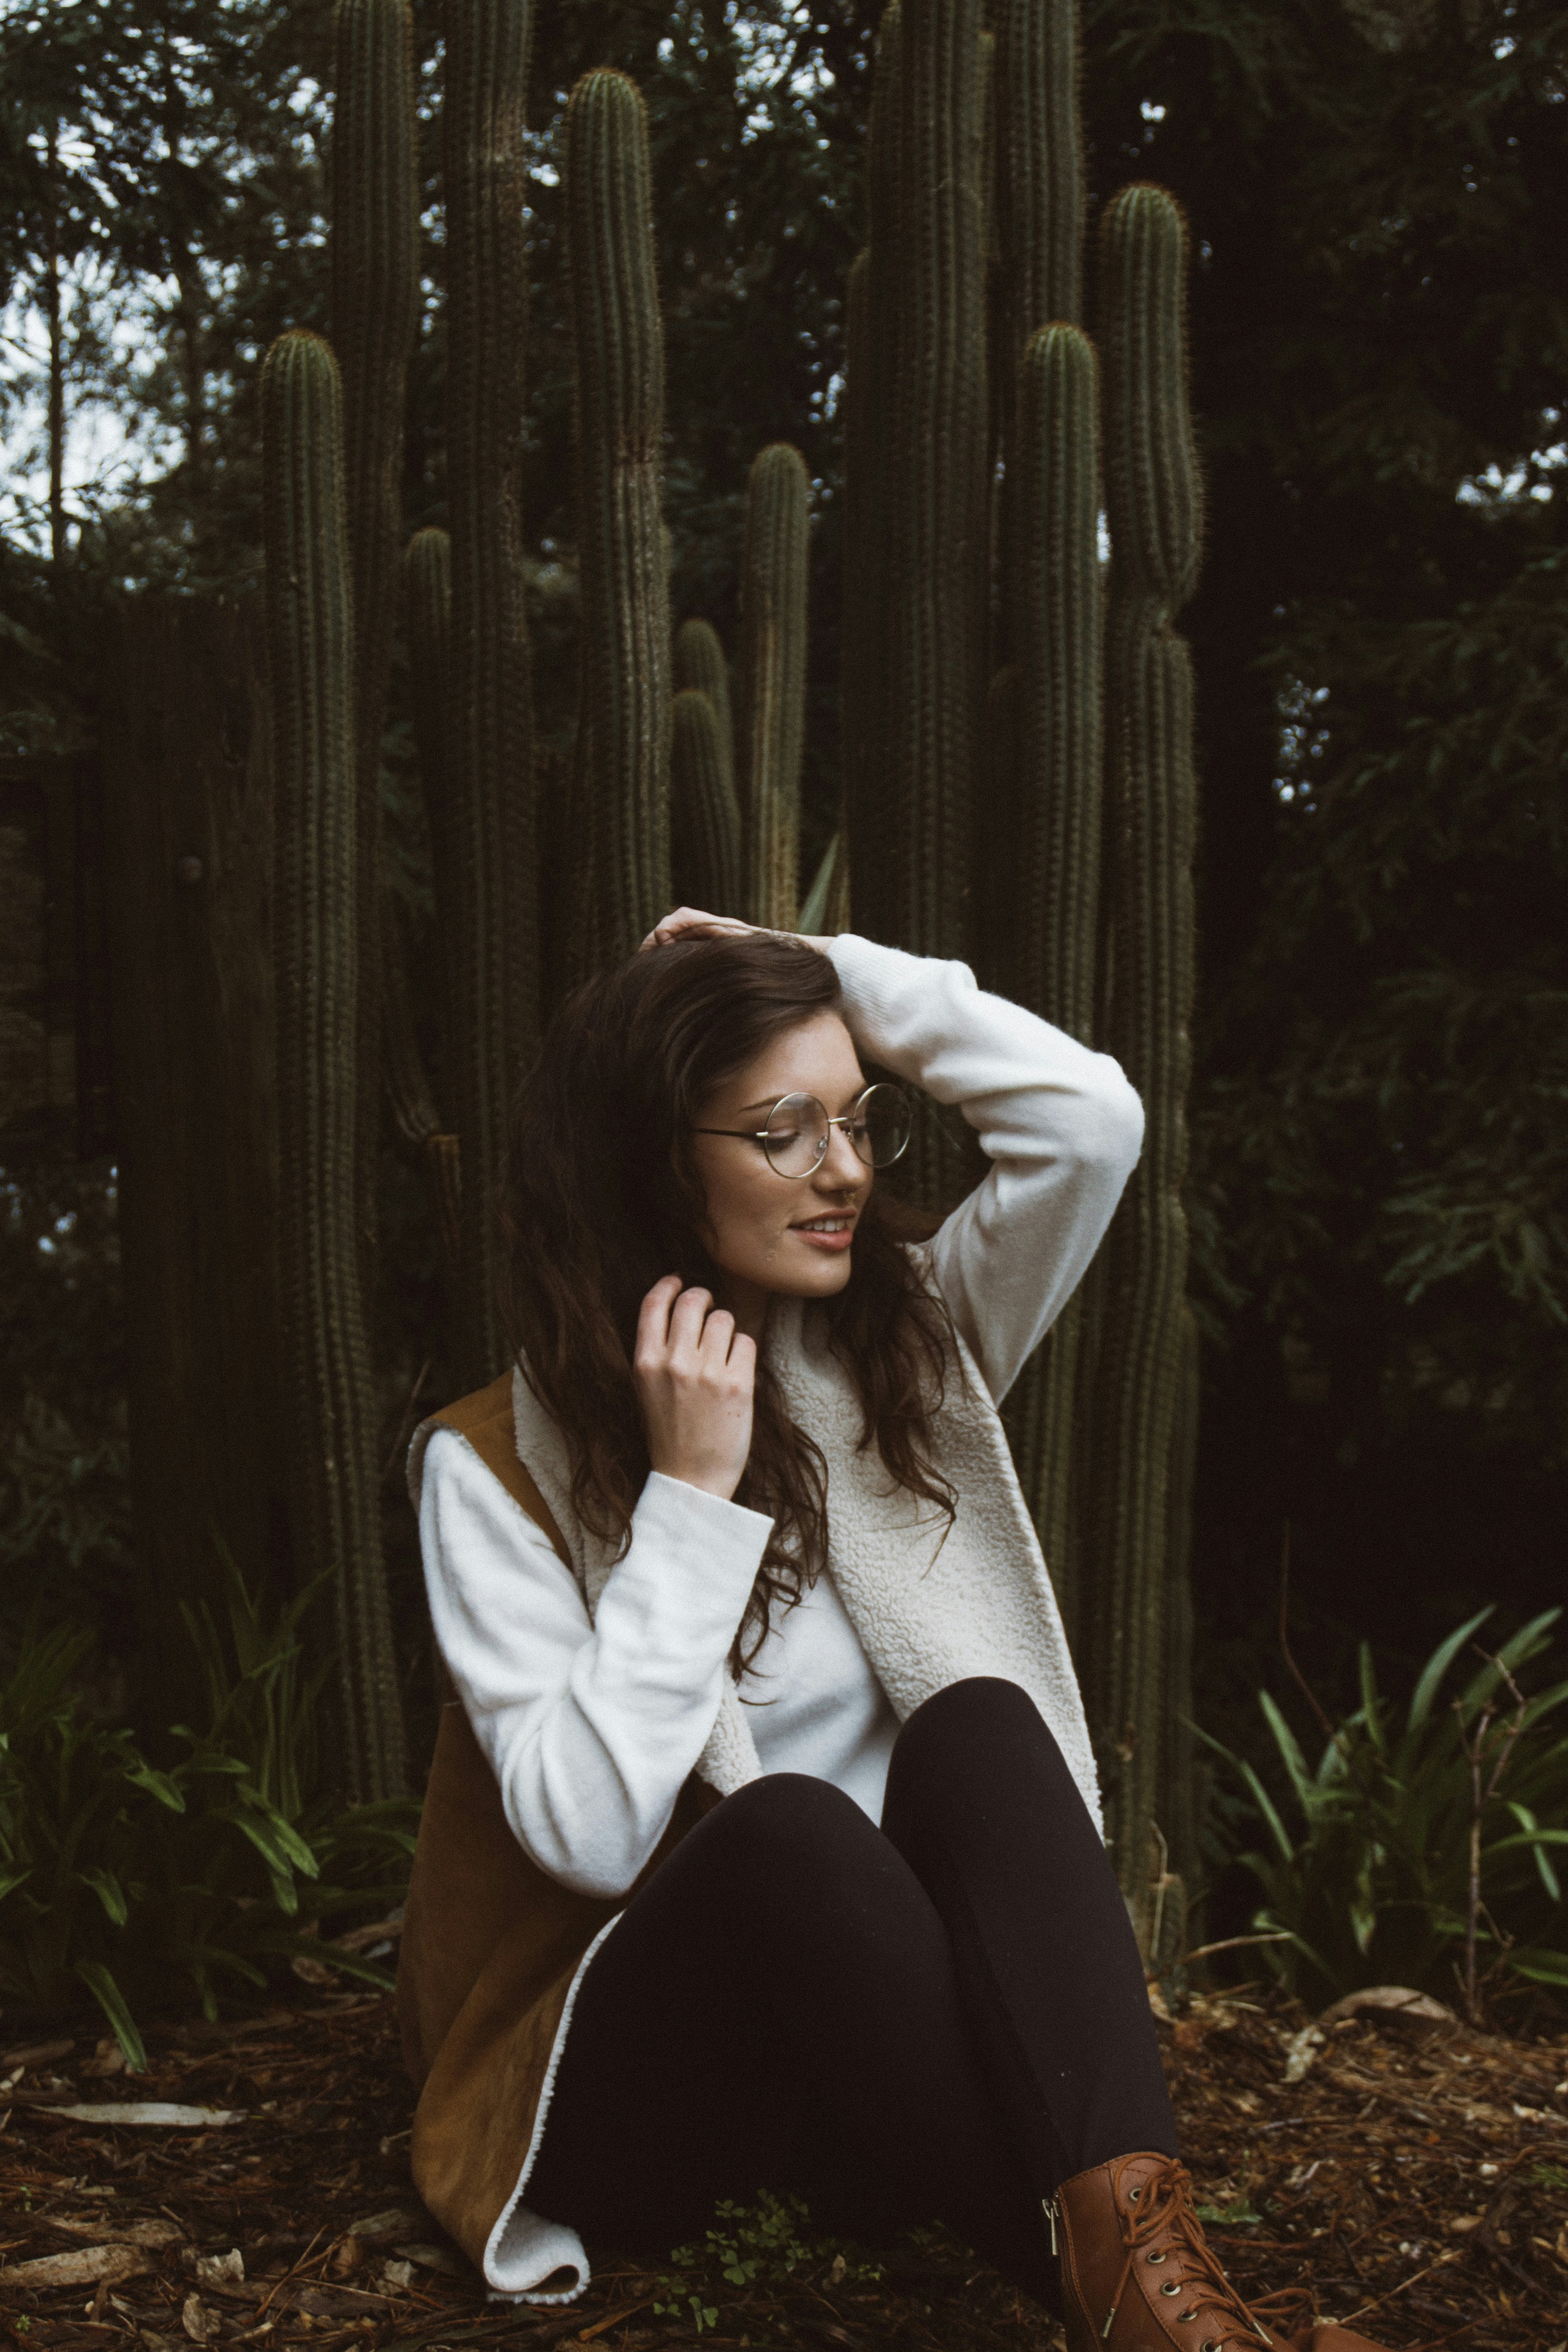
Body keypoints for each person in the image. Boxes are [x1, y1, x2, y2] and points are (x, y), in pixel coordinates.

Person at [397, 912, 1388, 2352]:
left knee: (983, 1721)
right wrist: (688, 1496)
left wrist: (814, 965)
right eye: (785, 1133)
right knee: (789, 1830)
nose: (847, 1170)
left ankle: (1169, 2319)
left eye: (858, 1121)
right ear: (660, 1167)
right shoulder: (488, 1464)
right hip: (635, 2089)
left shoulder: (911, 1339)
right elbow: (591, 1838)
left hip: (882, 2071)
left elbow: (1090, 1123)